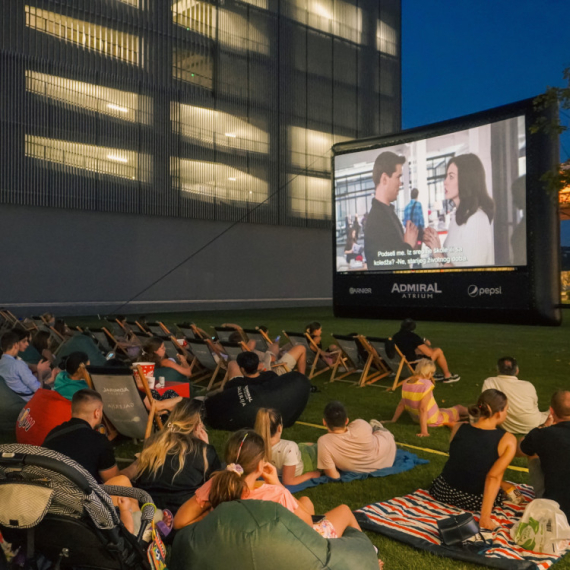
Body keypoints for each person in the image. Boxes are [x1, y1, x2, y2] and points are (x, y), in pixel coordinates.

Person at [173, 430, 365, 543]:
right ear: (260, 465)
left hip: (240, 543)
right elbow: (307, 526)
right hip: (291, 547)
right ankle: (370, 556)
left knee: (306, 501)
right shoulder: (276, 493)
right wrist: (277, 483)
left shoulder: (216, 485)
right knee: (345, 511)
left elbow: (180, 522)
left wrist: (210, 515)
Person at [429, 389, 517, 530]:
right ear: (499, 412)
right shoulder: (507, 440)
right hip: (474, 500)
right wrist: (485, 518)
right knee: (497, 478)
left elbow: (463, 459)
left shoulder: (458, 427)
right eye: (506, 409)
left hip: (442, 490)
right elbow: (492, 477)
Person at [133, 399, 222, 514]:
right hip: (183, 513)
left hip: (149, 510)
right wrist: (206, 446)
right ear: (197, 425)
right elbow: (216, 483)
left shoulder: (153, 443)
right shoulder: (205, 452)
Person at [423, 154, 495, 268]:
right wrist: (435, 245)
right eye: (446, 176)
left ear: (466, 180)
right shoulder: (457, 217)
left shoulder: (477, 220)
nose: (445, 182)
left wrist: (438, 255)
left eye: (451, 177)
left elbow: (470, 276)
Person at [43, 389, 120, 483]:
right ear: (97, 413)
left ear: (71, 410)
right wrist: (136, 466)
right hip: (80, 495)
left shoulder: (54, 433)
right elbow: (114, 482)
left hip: (48, 491)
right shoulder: (99, 441)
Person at [518, 390, 570, 520]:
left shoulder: (543, 435)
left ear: (551, 411)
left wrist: (542, 427)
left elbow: (521, 448)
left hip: (553, 506)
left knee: (532, 453)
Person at [363, 151, 418, 270]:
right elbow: (389, 266)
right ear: (384, 179)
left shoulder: (388, 213)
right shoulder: (377, 221)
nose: (400, 183)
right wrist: (408, 245)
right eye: (398, 177)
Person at [387, 359, 468, 437]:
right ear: (429, 373)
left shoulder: (406, 382)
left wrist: (393, 420)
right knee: (458, 408)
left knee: (444, 410)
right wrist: (424, 431)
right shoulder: (426, 385)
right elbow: (422, 409)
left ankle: (464, 417)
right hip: (432, 419)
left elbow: (402, 404)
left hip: (416, 418)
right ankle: (477, 415)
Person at [317, 401, 396, 478]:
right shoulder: (360, 424)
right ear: (346, 420)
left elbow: (334, 476)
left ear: (324, 422)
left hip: (384, 455)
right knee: (372, 430)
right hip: (388, 451)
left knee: (376, 430)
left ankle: (376, 426)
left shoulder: (324, 442)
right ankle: (375, 426)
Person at [482, 357, 550, 434]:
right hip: (534, 424)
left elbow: (484, 406)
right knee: (557, 410)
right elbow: (534, 405)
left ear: (498, 370)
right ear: (517, 371)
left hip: (507, 427)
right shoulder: (528, 385)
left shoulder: (489, 382)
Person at [255, 408, 321, 486]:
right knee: (316, 448)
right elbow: (289, 481)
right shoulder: (289, 448)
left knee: (303, 446)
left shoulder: (253, 445)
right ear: (279, 428)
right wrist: (311, 474)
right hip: (306, 463)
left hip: (294, 455)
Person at [392, 318, 460, 383]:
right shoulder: (413, 336)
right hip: (413, 366)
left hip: (401, 366)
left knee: (433, 350)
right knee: (438, 351)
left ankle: (433, 374)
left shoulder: (396, 336)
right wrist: (425, 343)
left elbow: (406, 348)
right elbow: (429, 354)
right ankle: (447, 376)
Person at [0, 331, 48, 400]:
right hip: (30, 399)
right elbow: (38, 389)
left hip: (14, 399)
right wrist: (40, 371)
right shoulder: (18, 364)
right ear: (15, 345)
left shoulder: (1, 363)